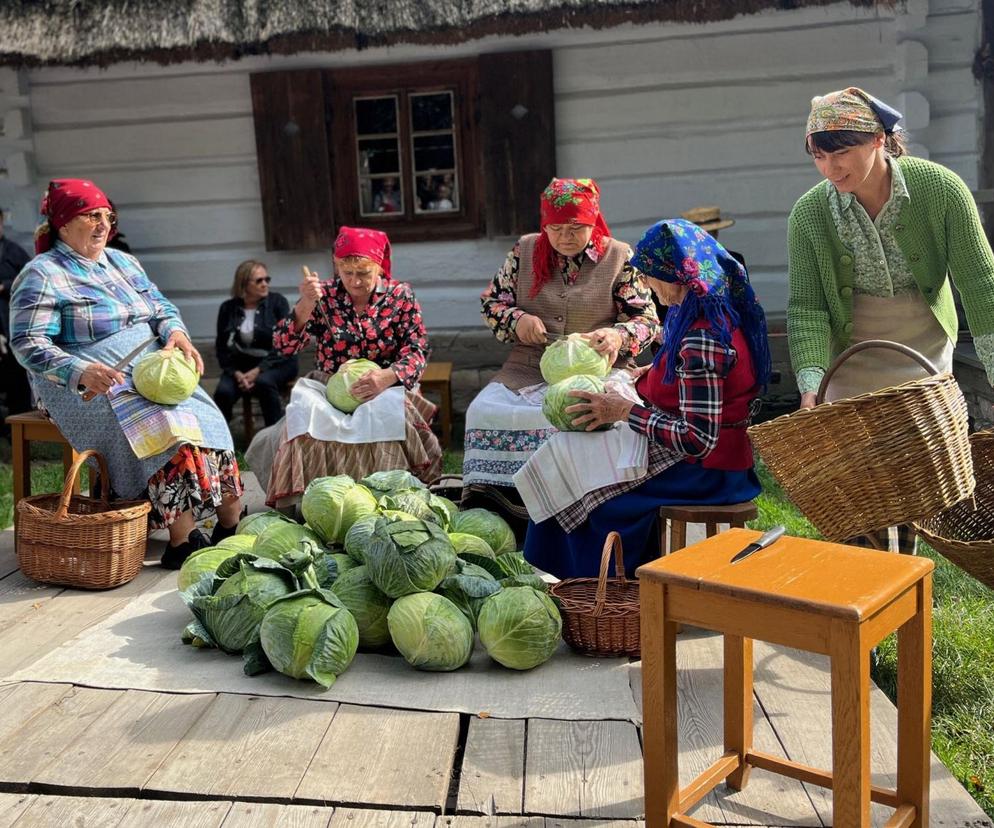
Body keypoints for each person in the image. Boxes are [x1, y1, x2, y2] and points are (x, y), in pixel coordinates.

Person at [788, 86, 994, 552]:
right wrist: (810, 384)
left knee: (916, 482)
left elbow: (982, 285)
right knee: (861, 484)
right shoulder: (809, 213)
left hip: (919, 349)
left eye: (841, 152)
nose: (830, 168)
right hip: (851, 357)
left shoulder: (939, 189)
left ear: (880, 139)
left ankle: (907, 581)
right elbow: (807, 307)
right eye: (819, 156)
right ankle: (864, 586)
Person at [10, 179, 244, 568]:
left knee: (206, 417)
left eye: (107, 216)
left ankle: (230, 523)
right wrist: (79, 370)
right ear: (64, 225)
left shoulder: (121, 261)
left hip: (146, 367)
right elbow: (28, 343)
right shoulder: (43, 273)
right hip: (85, 382)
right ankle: (181, 540)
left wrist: (176, 333)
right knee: (163, 425)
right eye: (91, 217)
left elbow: (160, 306)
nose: (103, 225)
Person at [521, 219, 771, 577]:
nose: (650, 287)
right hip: (723, 460)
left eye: (653, 276)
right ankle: (603, 588)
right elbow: (696, 377)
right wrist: (651, 373)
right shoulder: (713, 311)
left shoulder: (702, 337)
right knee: (575, 462)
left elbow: (697, 438)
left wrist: (623, 411)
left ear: (677, 276)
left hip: (709, 473)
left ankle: (610, 593)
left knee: (599, 499)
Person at [463, 177, 659, 532]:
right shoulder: (524, 251)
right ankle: (501, 513)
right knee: (482, 411)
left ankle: (593, 514)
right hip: (529, 367)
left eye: (575, 228)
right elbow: (492, 303)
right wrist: (516, 319)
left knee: (599, 422)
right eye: (555, 228)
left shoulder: (618, 256)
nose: (565, 236)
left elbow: (646, 319)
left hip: (598, 370)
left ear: (593, 222)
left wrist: (618, 335)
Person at [245, 226, 441, 508]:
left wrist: (387, 377)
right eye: (346, 273)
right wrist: (305, 305)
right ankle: (317, 506)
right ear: (336, 267)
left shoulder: (400, 295)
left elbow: (417, 348)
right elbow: (284, 346)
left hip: (384, 386)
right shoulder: (323, 295)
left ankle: (389, 503)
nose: (355, 282)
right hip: (329, 386)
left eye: (363, 273)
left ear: (379, 267)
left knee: (389, 428)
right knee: (306, 432)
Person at [213, 260, 297, 428]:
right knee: (223, 392)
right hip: (242, 366)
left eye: (267, 279)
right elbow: (221, 347)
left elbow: (285, 342)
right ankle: (219, 444)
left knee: (263, 382)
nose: (265, 284)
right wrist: (235, 372)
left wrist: (259, 370)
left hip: (278, 362)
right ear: (244, 283)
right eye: (259, 280)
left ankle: (275, 440)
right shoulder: (228, 308)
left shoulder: (277, 302)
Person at [0, 208, 32, 428]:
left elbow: (30, 283)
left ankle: (18, 429)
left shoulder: (14, 251)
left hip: (10, 325)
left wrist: (4, 286)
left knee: (16, 379)